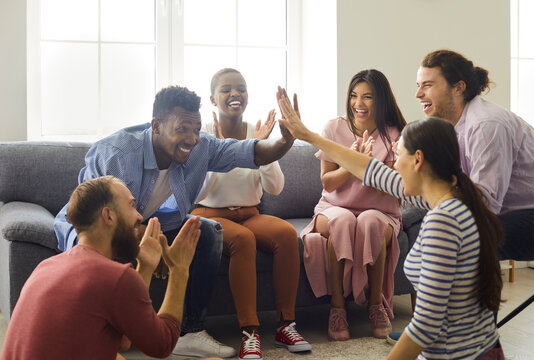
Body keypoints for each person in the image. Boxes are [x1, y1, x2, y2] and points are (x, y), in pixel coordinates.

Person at [53, 85, 295, 358]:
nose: (191, 139)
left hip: (155, 222)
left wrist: (286, 141)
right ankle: (97, 335)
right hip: (95, 224)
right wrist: (146, 238)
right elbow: (98, 217)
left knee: (206, 232)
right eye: (182, 129)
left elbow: (254, 152)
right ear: (156, 125)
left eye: (195, 129)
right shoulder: (116, 153)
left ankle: (189, 332)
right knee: (99, 255)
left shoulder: (200, 146)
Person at [277, 88, 505, 359]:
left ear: (418, 160)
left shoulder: (442, 220)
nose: (393, 166)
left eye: (398, 157)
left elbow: (425, 326)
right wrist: (309, 136)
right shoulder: (451, 199)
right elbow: (369, 170)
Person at [1, 176, 206, 360]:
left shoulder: (46, 266)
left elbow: (124, 341)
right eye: (132, 206)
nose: (138, 216)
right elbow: (163, 344)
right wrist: (180, 270)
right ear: (108, 216)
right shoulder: (116, 277)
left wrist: (145, 267)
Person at [190, 68, 311, 360]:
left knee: (285, 233)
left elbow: (276, 187)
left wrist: (264, 151)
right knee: (243, 240)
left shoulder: (257, 133)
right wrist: (216, 152)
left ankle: (286, 325)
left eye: (241, 89)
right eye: (227, 89)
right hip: (209, 215)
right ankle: (250, 332)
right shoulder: (203, 133)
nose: (235, 94)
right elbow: (194, 193)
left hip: (248, 212)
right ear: (212, 98)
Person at [415, 49, 534, 261]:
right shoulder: (450, 128)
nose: (418, 94)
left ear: (458, 88)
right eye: (418, 86)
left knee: (468, 235)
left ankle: (474, 295)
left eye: (427, 85)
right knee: (442, 227)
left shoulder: (486, 124)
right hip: (516, 212)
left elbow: (485, 204)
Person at [299, 70, 406, 341]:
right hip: (333, 208)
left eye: (368, 96)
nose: (359, 103)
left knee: (370, 221)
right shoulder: (333, 128)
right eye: (354, 95)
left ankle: (375, 306)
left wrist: (367, 167)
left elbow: (390, 190)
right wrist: (354, 162)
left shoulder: (395, 133)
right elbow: (329, 183)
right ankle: (337, 309)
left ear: (381, 100)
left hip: (381, 211)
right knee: (343, 220)